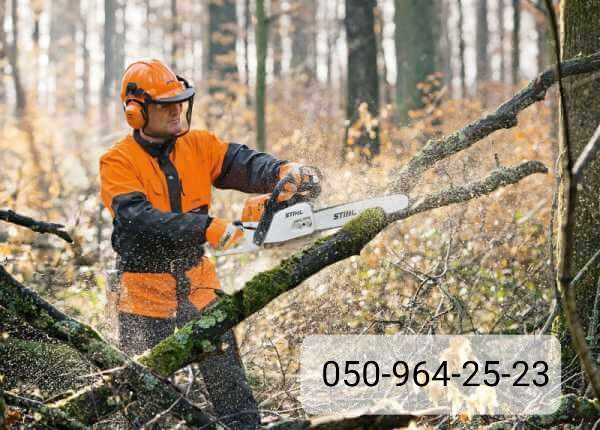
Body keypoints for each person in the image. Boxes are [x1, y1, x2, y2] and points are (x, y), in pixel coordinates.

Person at [99, 59, 320, 429]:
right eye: (166, 105)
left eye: (180, 102)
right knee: (148, 407)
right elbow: (138, 220)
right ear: (136, 112)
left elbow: (242, 163)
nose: (176, 111)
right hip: (144, 298)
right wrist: (206, 227)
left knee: (232, 391)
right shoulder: (117, 162)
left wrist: (282, 171)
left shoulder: (198, 145)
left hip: (198, 287)